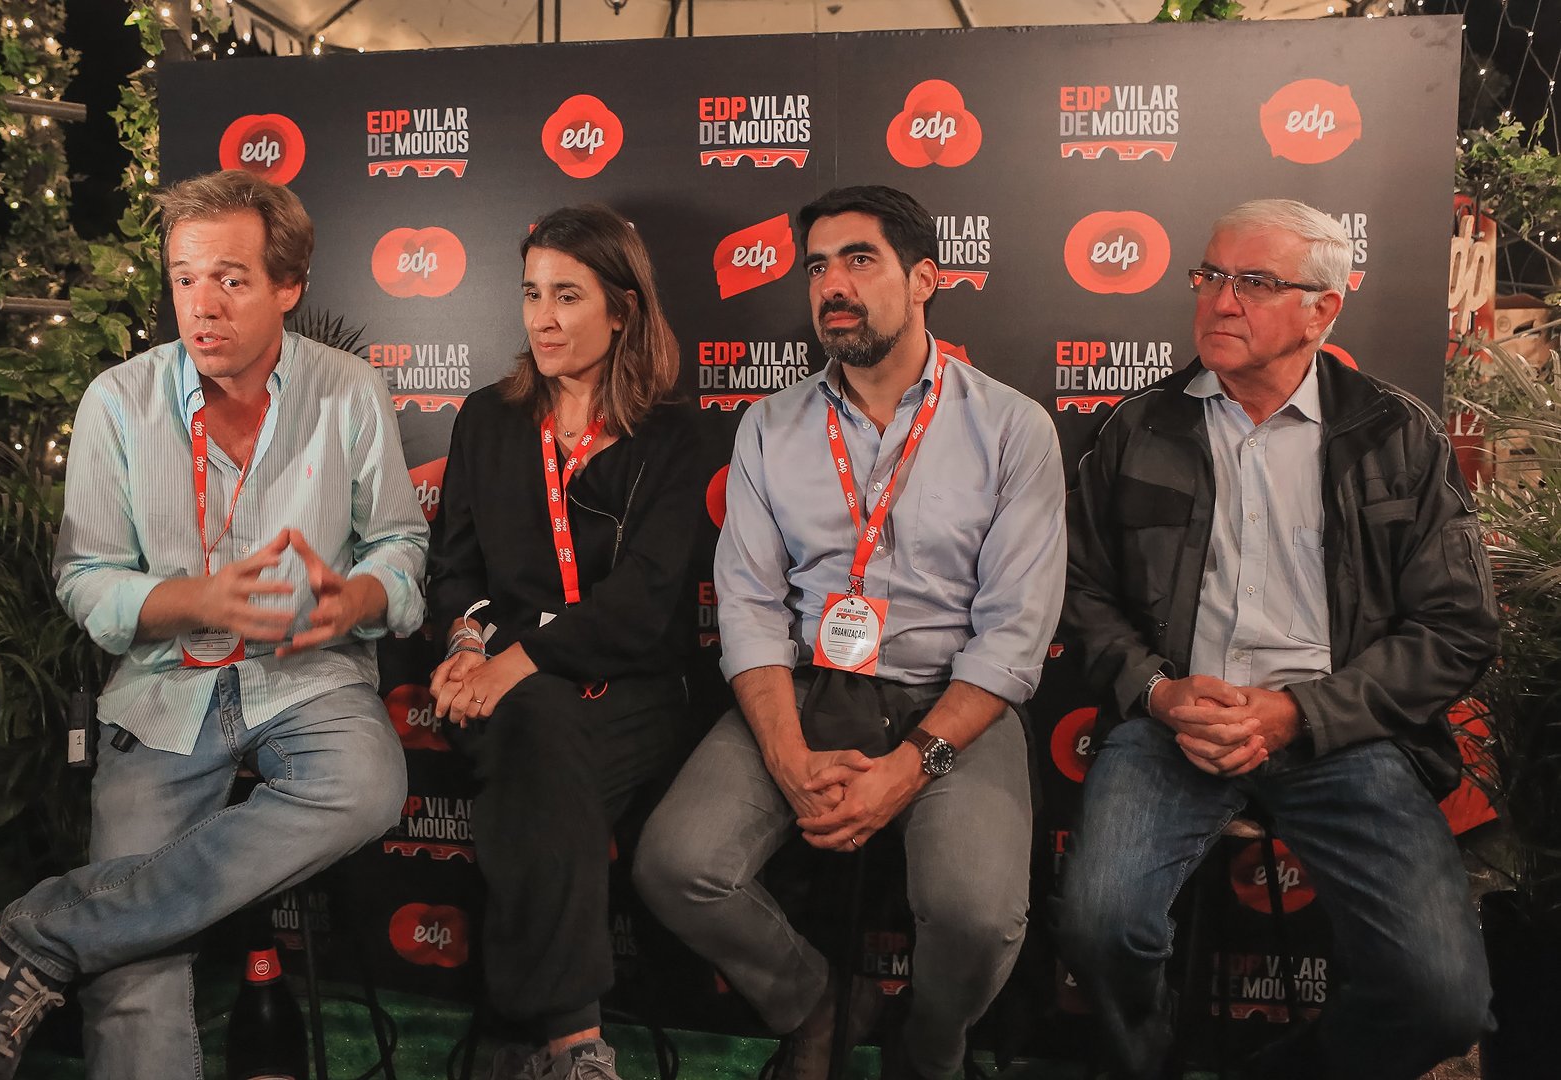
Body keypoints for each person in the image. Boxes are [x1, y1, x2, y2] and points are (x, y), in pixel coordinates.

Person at [0, 169, 428, 1080]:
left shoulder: (349, 390)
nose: (201, 305)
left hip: (307, 676)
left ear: (289, 286)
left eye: (232, 280)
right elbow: (85, 579)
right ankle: (96, 936)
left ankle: (40, 934)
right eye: (184, 278)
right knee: (135, 970)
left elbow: (399, 543)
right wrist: (195, 600)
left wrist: (361, 597)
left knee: (367, 785)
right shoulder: (116, 401)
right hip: (164, 688)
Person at [1055, 198, 1497, 1080]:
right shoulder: (1137, 428)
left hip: (1342, 734)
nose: (1221, 300)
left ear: (1322, 310)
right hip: (1174, 724)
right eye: (1211, 275)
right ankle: (1150, 1063)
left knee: (1443, 1000)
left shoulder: (1394, 433)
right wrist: (1159, 692)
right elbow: (1079, 591)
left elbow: (1456, 626)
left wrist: (1301, 713)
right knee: (1099, 932)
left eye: (1255, 282)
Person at [634, 185, 1066, 1080]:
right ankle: (821, 1003)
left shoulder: (1011, 427)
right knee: (677, 865)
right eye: (819, 267)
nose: (833, 285)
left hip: (950, 703)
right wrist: (787, 756)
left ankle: (931, 1048)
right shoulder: (770, 425)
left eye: (860, 260)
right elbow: (748, 606)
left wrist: (907, 771)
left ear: (924, 279)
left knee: (978, 915)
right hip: (805, 690)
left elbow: (1014, 635)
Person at [426, 204, 705, 1080]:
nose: (542, 318)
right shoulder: (487, 418)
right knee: (540, 733)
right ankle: (576, 1044)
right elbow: (454, 569)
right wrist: (467, 647)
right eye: (531, 294)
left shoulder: (672, 434)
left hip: (635, 691)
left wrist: (514, 662)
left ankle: (523, 1031)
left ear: (622, 310)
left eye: (567, 296)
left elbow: (646, 602)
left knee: (537, 757)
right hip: (510, 693)